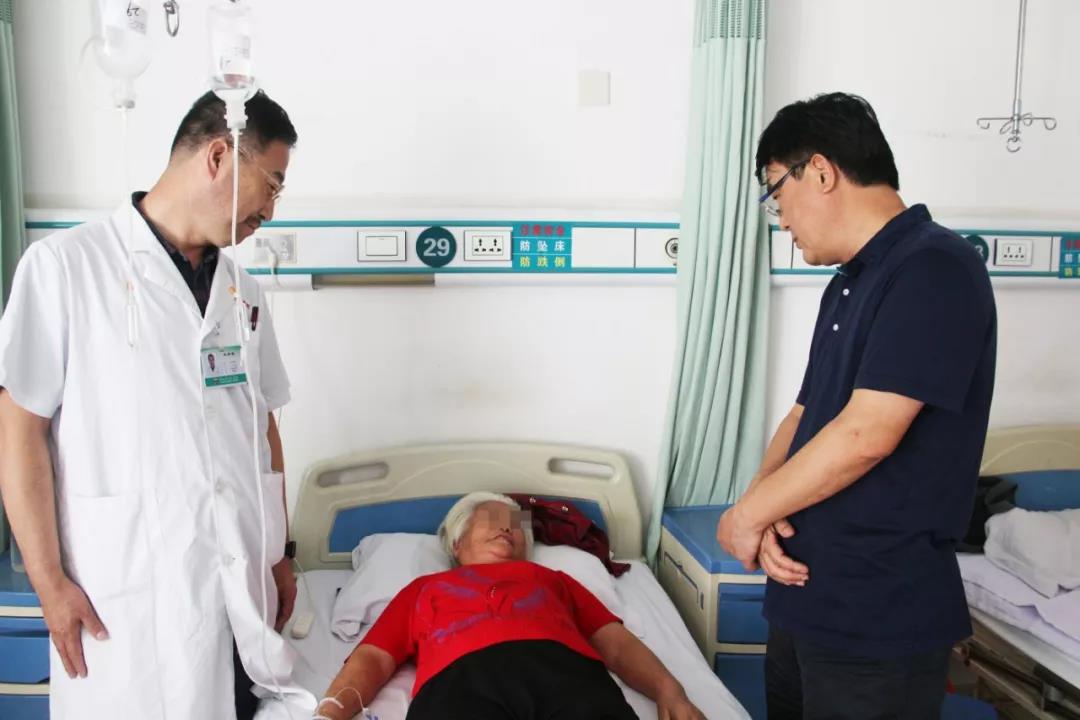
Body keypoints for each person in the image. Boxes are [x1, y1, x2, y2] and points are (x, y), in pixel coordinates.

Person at [0, 90, 307, 718]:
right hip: (124, 594)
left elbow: (262, 423)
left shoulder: (243, 292)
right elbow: (19, 428)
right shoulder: (65, 267)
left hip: (238, 590)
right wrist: (49, 583)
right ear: (218, 157)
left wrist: (279, 552)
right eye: (272, 185)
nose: (271, 211)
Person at [715, 92, 997, 719]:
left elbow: (868, 433)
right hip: (806, 601)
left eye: (776, 194)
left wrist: (747, 516)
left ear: (820, 171)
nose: (780, 221)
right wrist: (761, 504)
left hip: (876, 617)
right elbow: (804, 414)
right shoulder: (850, 281)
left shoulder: (933, 269)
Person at [314, 492, 706, 720]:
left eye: (516, 524)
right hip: (460, 681)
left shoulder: (552, 580)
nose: (507, 527)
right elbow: (374, 658)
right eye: (491, 519)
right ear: (456, 542)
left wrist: (670, 691)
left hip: (565, 674)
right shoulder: (424, 589)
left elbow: (615, 643)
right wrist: (330, 713)